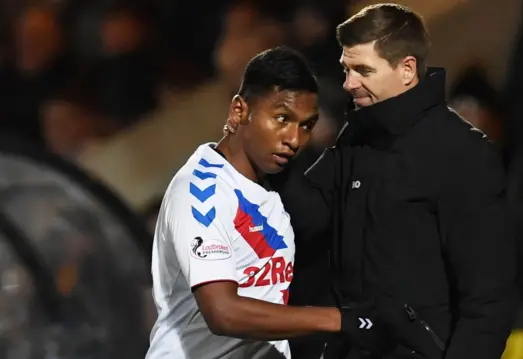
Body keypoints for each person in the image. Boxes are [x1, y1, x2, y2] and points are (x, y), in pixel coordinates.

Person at [225, 4, 518, 359]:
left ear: (407, 69)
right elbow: (311, 219)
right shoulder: (357, 137)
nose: (349, 83)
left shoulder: (462, 153)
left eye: (363, 70)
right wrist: (277, 157)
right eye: (346, 69)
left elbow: (487, 300)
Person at [145, 47, 380, 359]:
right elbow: (223, 312)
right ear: (239, 111)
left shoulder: (271, 187)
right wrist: (340, 319)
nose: (294, 138)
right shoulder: (201, 191)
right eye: (281, 119)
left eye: (306, 125)